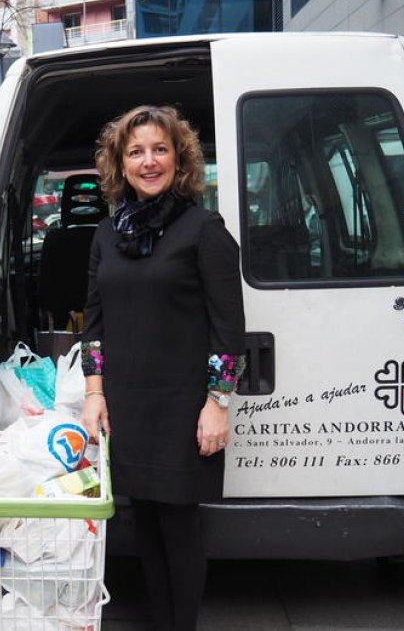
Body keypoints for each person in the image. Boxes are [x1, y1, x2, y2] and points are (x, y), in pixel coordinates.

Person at [79, 105, 246, 631]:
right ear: (120, 164)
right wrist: (94, 393)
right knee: (143, 523)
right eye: (136, 152)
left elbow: (229, 330)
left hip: (183, 406)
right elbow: (95, 322)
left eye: (159, 149)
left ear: (179, 158)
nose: (148, 161)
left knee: (177, 525)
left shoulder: (204, 229)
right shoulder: (107, 234)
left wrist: (218, 404)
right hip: (127, 403)